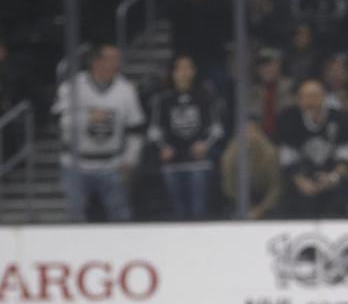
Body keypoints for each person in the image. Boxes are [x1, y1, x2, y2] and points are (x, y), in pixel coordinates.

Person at [52, 44, 144, 222]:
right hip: (76, 163)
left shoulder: (125, 89)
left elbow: (136, 128)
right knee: (75, 214)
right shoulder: (73, 86)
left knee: (120, 214)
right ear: (97, 61)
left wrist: (130, 160)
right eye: (111, 59)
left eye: (117, 59)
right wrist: (86, 118)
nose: (117, 63)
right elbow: (56, 119)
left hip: (111, 164)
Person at [147, 55, 224, 220]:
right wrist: (163, 148)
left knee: (199, 211)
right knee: (176, 213)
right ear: (173, 73)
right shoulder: (162, 99)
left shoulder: (206, 97)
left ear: (194, 72)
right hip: (172, 164)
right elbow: (154, 130)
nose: (183, 73)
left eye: (187, 68)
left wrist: (205, 145)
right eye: (179, 68)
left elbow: (217, 129)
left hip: (199, 164)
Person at [276, 79, 348, 218]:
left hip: (333, 178)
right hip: (303, 179)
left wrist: (332, 177)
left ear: (324, 97)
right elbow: (288, 158)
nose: (310, 102)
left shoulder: (342, 119)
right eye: (306, 97)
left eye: (315, 96)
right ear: (299, 100)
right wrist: (301, 182)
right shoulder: (289, 119)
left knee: (342, 196)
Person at [221, 117, 283, 220]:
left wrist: (261, 209)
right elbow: (229, 185)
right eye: (244, 132)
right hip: (239, 199)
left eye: (252, 131)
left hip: (264, 197)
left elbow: (275, 187)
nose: (248, 135)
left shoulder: (270, 153)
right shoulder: (230, 154)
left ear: (259, 133)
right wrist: (245, 207)